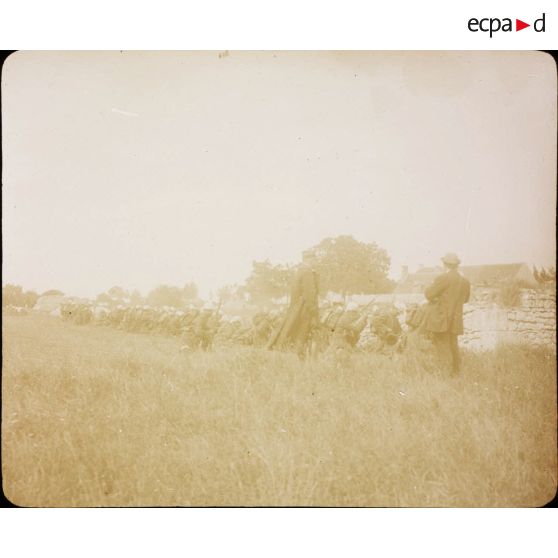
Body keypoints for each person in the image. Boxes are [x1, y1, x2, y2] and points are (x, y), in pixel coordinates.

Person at [423, 252, 470, 375]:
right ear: (457, 265)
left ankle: (445, 375)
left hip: (442, 319)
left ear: (445, 264)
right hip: (456, 319)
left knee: (442, 346)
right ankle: (456, 373)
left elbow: (429, 294)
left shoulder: (443, 278)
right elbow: (466, 299)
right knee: (453, 345)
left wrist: (435, 295)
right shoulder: (464, 281)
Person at [267, 249, 320, 358]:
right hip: (305, 308)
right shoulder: (307, 272)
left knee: (292, 330)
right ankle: (299, 357)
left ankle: (294, 355)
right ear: (310, 259)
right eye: (315, 259)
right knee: (303, 333)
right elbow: (310, 293)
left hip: (296, 308)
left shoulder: (299, 271)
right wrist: (314, 311)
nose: (316, 261)